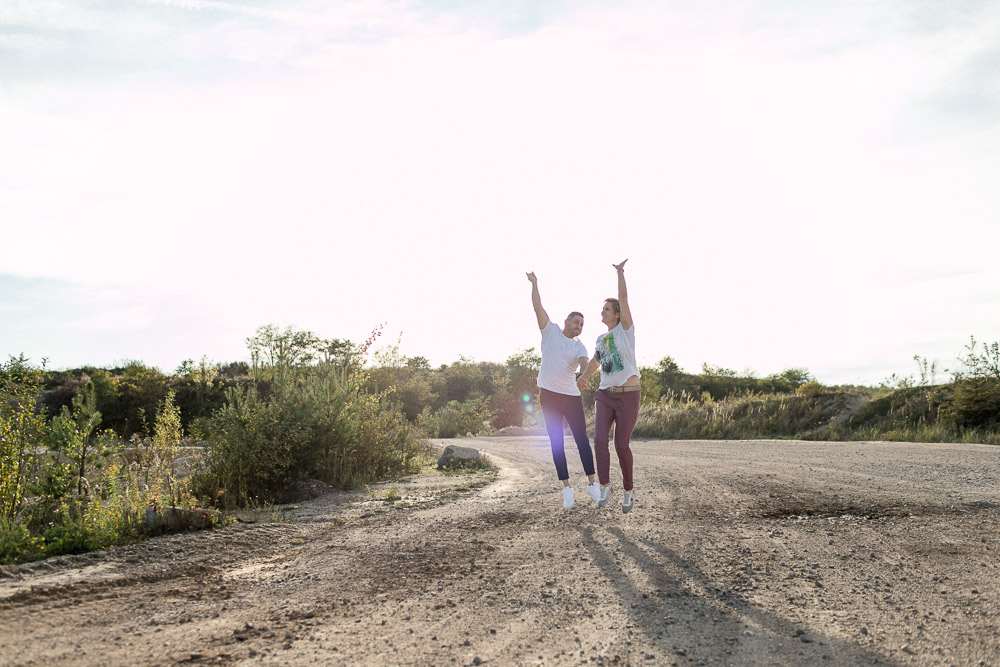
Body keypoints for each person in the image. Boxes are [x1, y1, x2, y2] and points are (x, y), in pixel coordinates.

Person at [527, 271, 602, 508]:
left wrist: (583, 373)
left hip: (571, 396)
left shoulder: (579, 346)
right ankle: (567, 488)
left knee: (581, 440)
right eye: (576, 322)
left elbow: (585, 361)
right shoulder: (550, 331)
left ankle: (592, 484)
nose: (579, 326)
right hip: (548, 395)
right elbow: (537, 307)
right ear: (567, 321)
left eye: (582, 324)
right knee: (556, 441)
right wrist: (535, 284)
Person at [577, 259, 640, 513]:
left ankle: (628, 490)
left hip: (628, 396)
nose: (602, 312)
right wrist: (584, 376)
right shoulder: (601, 339)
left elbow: (623, 300)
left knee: (620, 445)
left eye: (606, 309)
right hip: (604, 395)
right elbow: (595, 361)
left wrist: (620, 273)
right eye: (602, 309)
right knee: (600, 440)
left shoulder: (625, 331)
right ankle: (605, 486)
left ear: (617, 314)